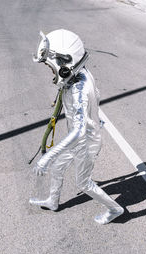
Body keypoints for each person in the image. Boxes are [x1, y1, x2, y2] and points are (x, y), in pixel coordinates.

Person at [29, 29, 124, 224]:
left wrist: (47, 157)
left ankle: (115, 209)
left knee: (84, 183)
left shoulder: (78, 90)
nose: (50, 70)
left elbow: (80, 131)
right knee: (59, 167)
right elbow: (96, 97)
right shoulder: (78, 75)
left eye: (50, 65)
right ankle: (53, 201)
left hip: (85, 141)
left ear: (64, 63)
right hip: (78, 137)